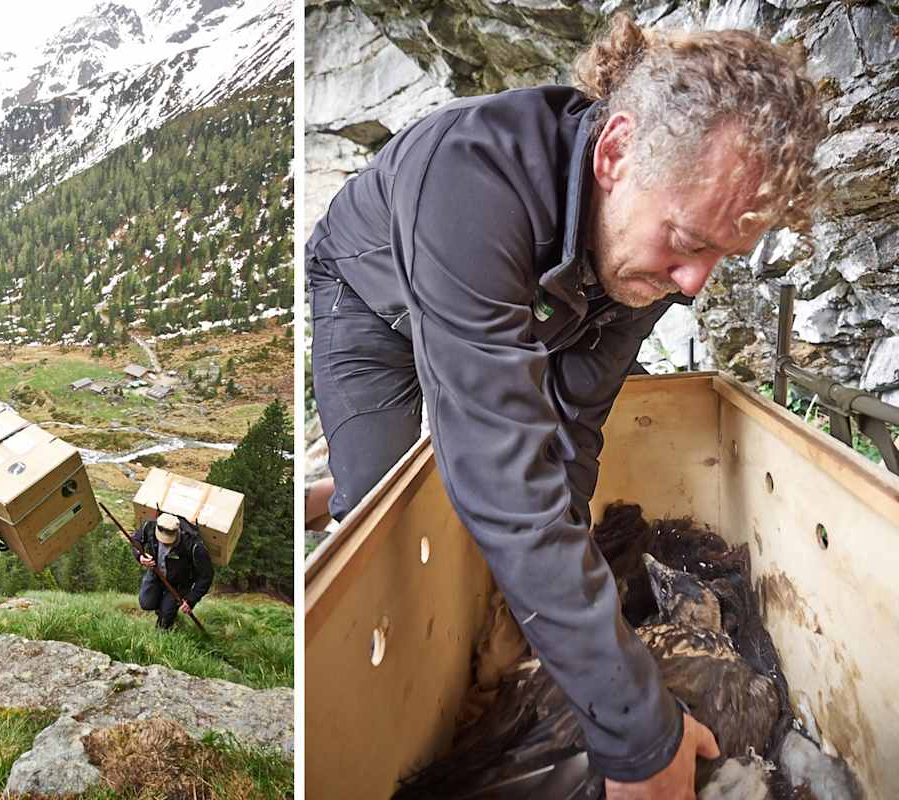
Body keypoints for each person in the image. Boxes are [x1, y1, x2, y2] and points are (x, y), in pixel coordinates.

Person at [305, 14, 824, 800]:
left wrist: (557, 627)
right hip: (372, 302)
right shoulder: (472, 179)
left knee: (527, 485)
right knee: (374, 507)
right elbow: (502, 476)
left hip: (527, 306)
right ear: (615, 153)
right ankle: (332, 493)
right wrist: (638, 734)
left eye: (723, 255)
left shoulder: (643, 251)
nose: (696, 283)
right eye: (690, 242)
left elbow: (574, 423)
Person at [133, 512, 214, 629]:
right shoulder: (149, 527)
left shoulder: (194, 546)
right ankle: (162, 607)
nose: (165, 542)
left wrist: (191, 599)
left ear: (177, 531)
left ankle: (166, 617)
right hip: (156, 573)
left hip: (179, 584)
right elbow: (135, 540)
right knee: (146, 603)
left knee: (165, 621)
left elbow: (206, 575)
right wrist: (140, 556)